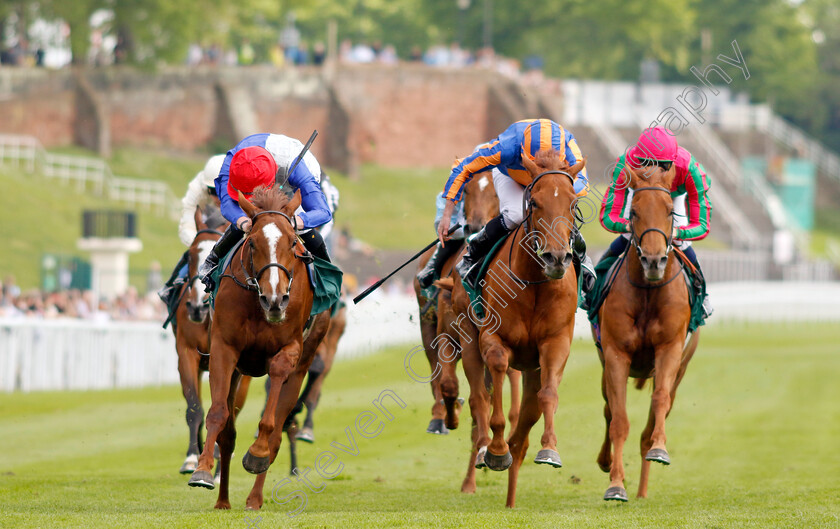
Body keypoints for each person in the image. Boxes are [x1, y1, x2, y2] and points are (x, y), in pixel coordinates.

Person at [436, 119, 596, 291]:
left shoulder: (569, 146)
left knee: (558, 209)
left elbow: (583, 183)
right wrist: (447, 216)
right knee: (516, 215)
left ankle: (582, 258)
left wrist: (557, 196)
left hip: (552, 180)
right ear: (522, 152)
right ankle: (471, 256)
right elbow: (463, 167)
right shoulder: (507, 146)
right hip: (510, 175)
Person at [594, 126, 713, 316]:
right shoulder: (626, 165)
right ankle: (595, 284)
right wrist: (627, 226)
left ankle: (701, 293)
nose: (653, 171)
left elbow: (702, 225)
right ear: (638, 160)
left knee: (681, 242)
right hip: (639, 193)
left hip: (672, 198)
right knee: (628, 235)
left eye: (662, 166)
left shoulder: (690, 169)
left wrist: (678, 233)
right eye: (647, 163)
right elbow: (608, 215)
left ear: (673, 165)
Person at [198, 133, 333, 291]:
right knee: (249, 220)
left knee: (297, 228)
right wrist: (243, 222)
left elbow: (323, 212)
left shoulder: (301, 172)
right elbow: (227, 203)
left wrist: (294, 222)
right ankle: (212, 260)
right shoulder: (233, 162)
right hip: (256, 159)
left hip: (291, 173)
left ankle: (326, 275)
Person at [157, 154, 226, 308]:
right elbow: (186, 225)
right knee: (195, 254)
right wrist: (202, 245)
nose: (217, 196)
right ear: (205, 187)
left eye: (221, 190)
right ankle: (171, 286)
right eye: (212, 191)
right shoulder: (196, 188)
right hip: (207, 222)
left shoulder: (243, 184)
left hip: (231, 222)